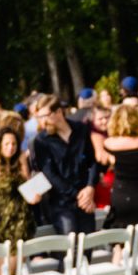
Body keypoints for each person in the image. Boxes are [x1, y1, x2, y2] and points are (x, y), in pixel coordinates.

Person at [28, 98, 98, 238]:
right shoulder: (41, 141)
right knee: (70, 245)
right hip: (62, 204)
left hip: (86, 198)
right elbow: (49, 174)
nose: (42, 121)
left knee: (88, 243)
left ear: (59, 112)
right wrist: (78, 195)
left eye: (45, 116)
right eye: (39, 117)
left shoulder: (81, 129)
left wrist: (90, 187)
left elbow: (92, 162)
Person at [0, 118, 36, 246]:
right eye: (6, 144)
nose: (11, 147)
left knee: (21, 255)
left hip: (22, 217)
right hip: (1, 220)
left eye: (14, 144)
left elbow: (27, 185)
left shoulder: (19, 162)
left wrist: (35, 193)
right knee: (5, 256)